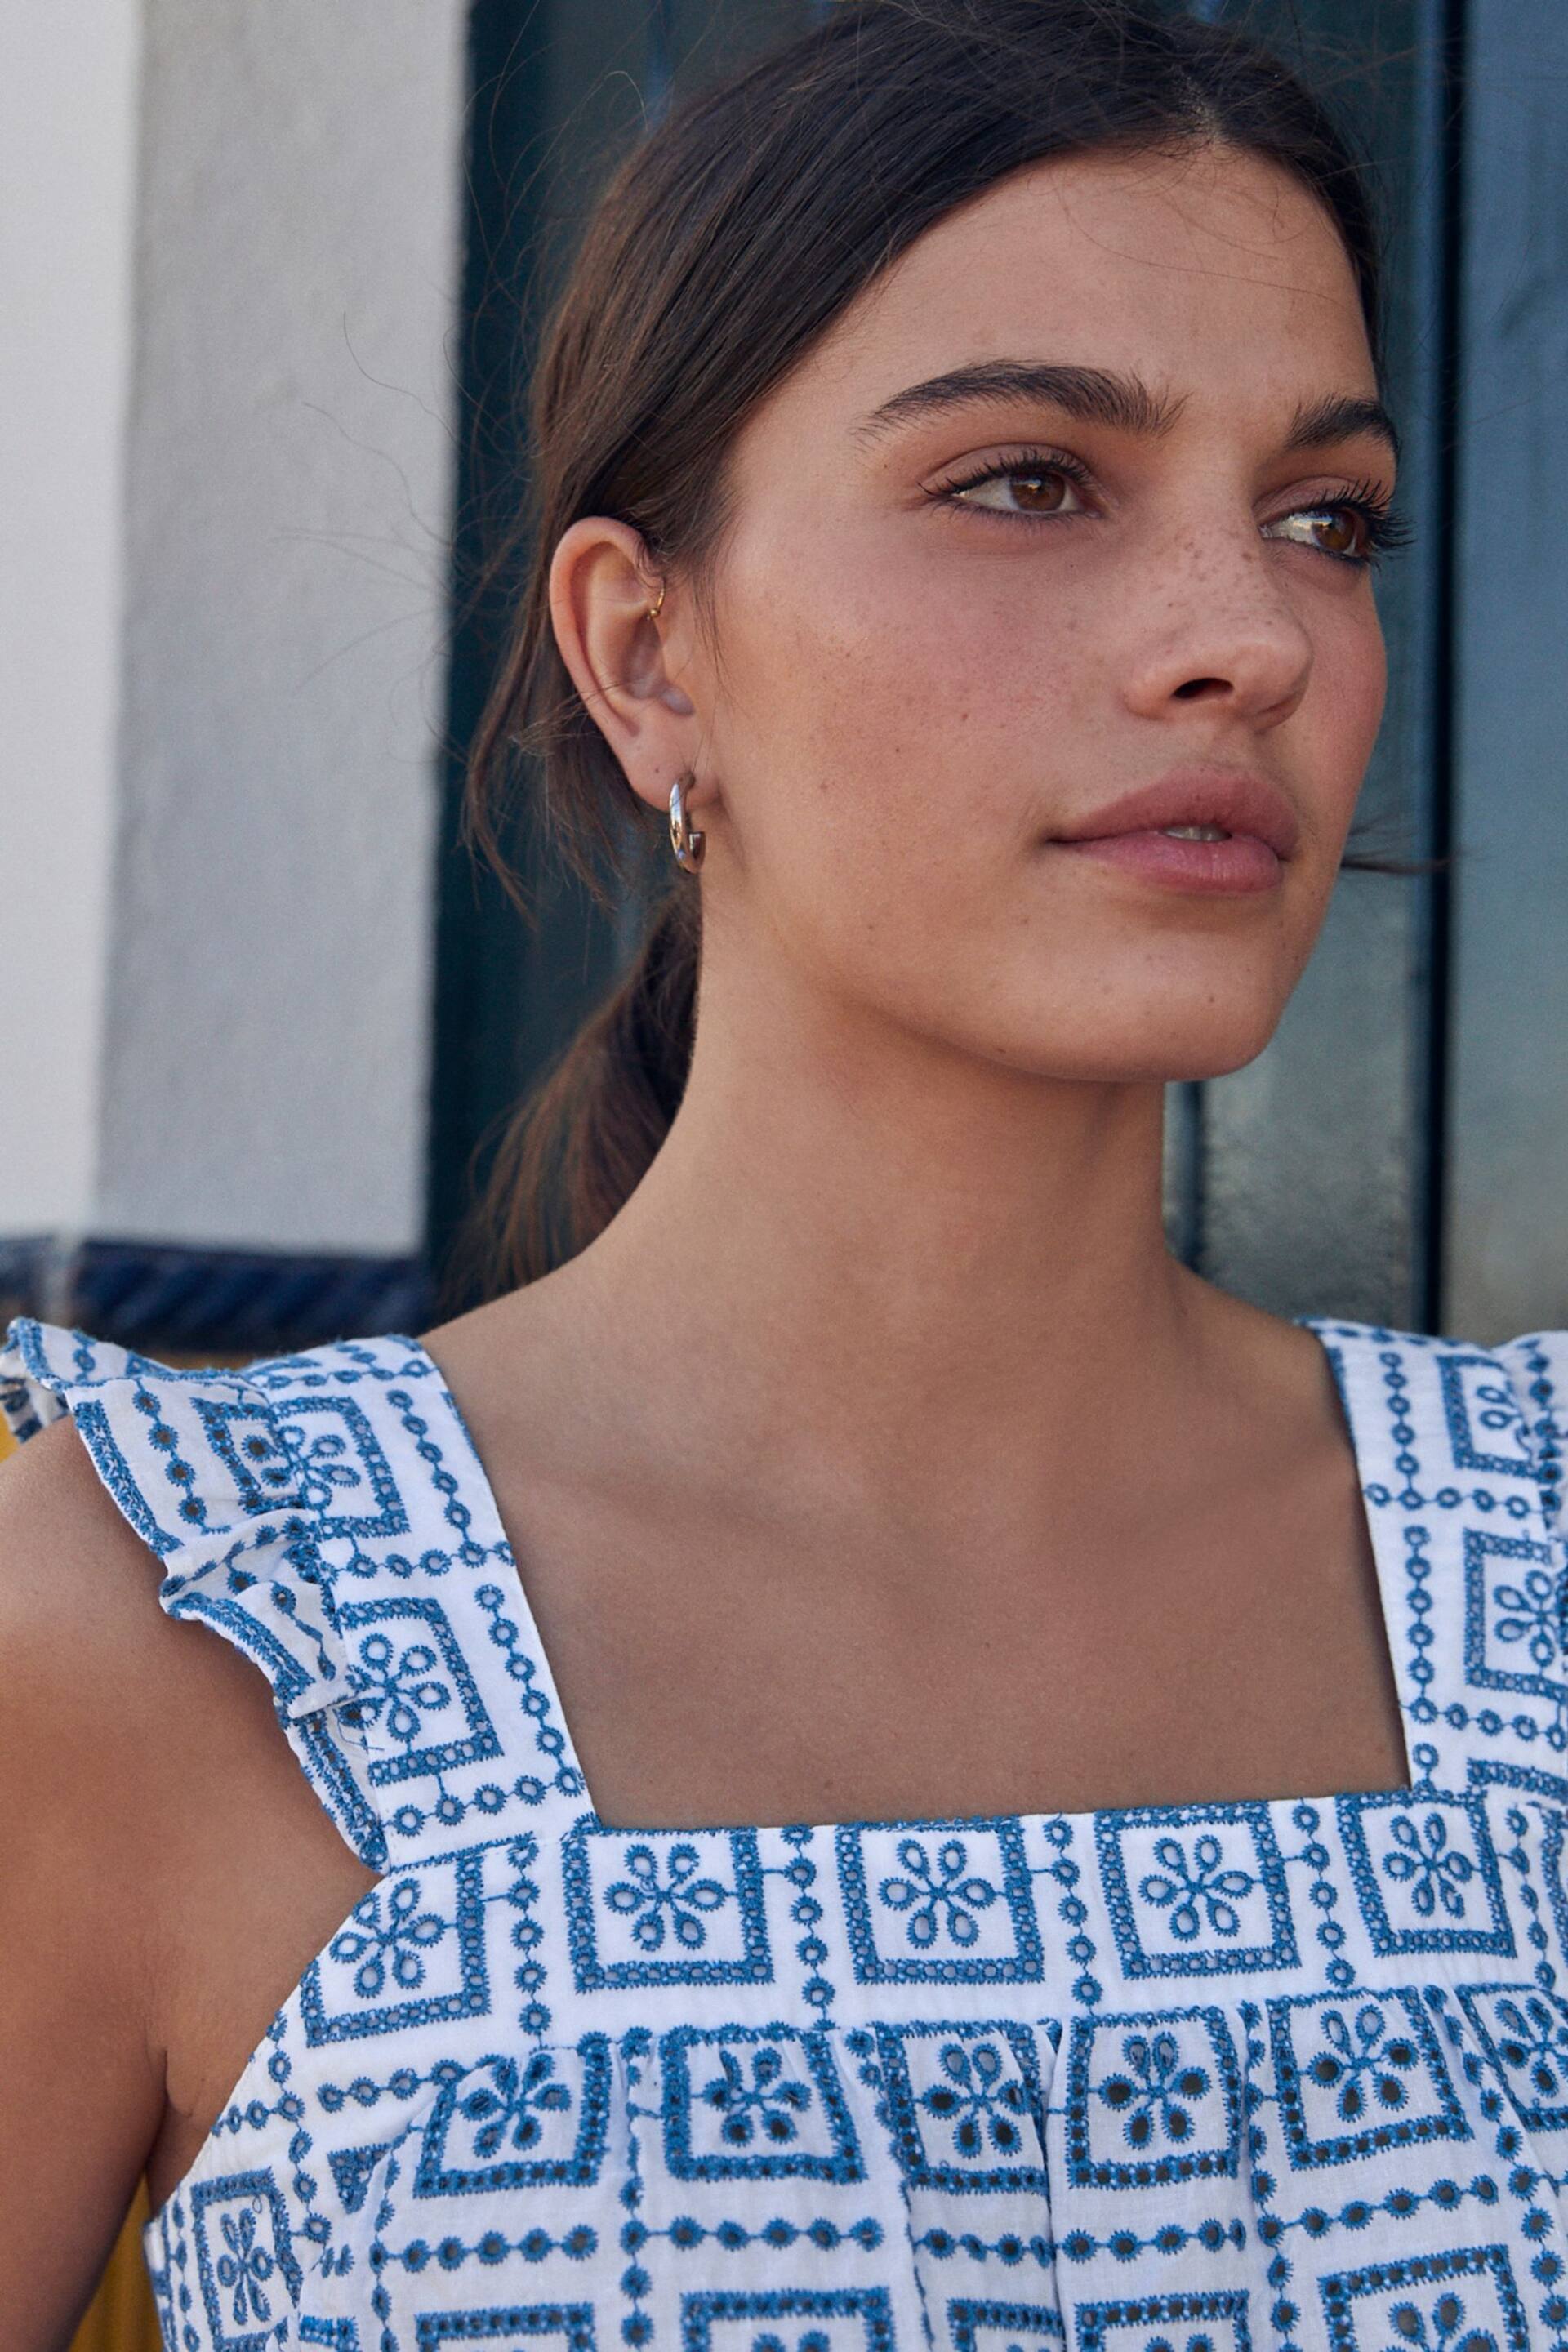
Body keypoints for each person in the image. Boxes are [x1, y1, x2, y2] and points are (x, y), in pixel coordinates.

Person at [6, 1, 1563, 2344]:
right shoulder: (181, 1625)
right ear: (647, 654)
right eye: (1029, 479)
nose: (1249, 637)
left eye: (1324, 518)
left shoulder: (1545, 1551)